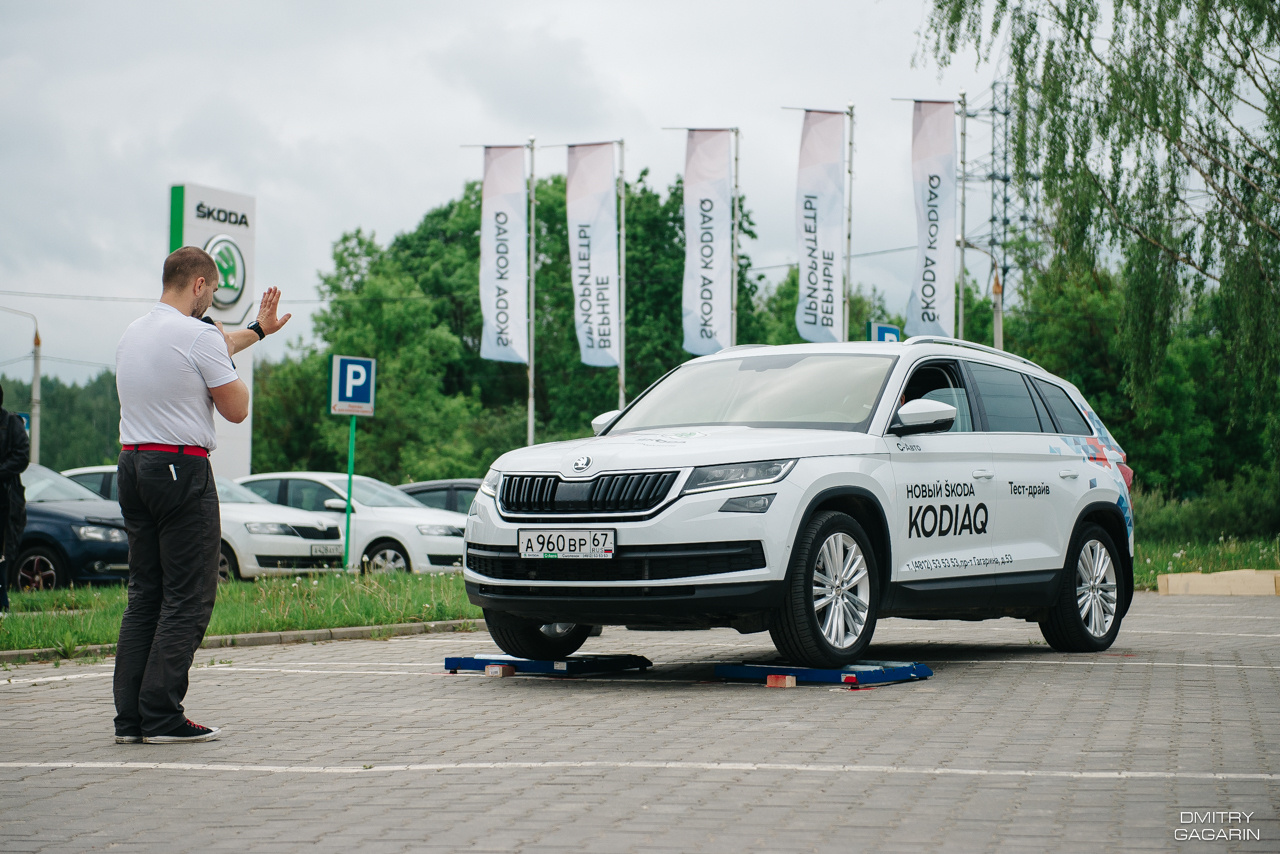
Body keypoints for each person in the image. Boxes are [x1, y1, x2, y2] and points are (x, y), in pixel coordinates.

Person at [113, 246, 290, 744]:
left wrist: (257, 331)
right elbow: (236, 408)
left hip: (133, 465)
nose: (210, 299)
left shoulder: (134, 333)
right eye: (210, 291)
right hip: (180, 470)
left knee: (145, 594)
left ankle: (131, 719)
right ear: (197, 284)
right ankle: (162, 715)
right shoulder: (198, 335)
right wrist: (229, 358)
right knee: (188, 596)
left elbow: (210, 346)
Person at [0, 382, 31, 616]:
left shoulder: (11, 424)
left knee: (4, 553)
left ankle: (2, 603)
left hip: (6, 499)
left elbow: (21, 457)